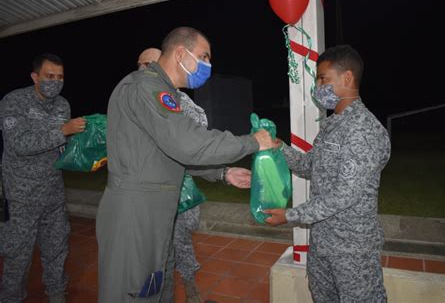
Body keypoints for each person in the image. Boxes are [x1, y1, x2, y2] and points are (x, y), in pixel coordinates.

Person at [96, 27, 272, 303]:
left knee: (154, 287)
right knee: (132, 292)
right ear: (181, 53)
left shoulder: (165, 92)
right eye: (204, 56)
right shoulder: (146, 87)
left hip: (155, 210)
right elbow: (189, 144)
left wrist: (223, 173)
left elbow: (170, 152)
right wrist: (252, 142)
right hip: (136, 212)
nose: (208, 65)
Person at [264, 45, 391, 302]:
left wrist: (291, 215)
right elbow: (310, 166)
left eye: (323, 78)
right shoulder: (332, 125)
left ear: (346, 78)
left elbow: (345, 195)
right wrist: (281, 149)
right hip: (323, 242)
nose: (318, 86)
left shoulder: (364, 130)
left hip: (352, 249)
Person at [135, 47, 251, 302]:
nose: (147, 71)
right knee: (150, 258)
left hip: (176, 195)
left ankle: (190, 289)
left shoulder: (183, 105)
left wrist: (223, 171)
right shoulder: (131, 99)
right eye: (142, 65)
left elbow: (194, 151)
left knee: (179, 245)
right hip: (142, 199)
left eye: (152, 64)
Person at [0, 53, 86, 303]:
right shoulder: (13, 101)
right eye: (50, 76)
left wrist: (83, 146)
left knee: (57, 248)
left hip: (53, 193)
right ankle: (11, 297)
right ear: (35, 77)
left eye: (60, 77)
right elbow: (19, 144)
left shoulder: (62, 105)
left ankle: (56, 292)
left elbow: (62, 145)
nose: (55, 82)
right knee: (18, 254)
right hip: (21, 196)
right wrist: (63, 131)